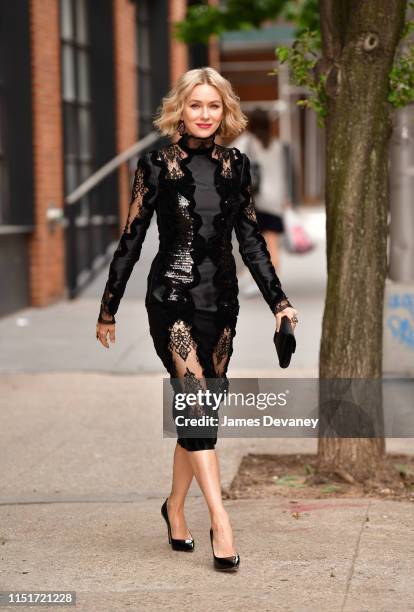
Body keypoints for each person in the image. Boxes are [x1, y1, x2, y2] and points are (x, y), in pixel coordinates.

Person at [95, 67, 298, 571]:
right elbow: (131, 237)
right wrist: (108, 307)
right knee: (196, 400)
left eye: (213, 106)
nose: (204, 115)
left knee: (200, 412)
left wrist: (279, 302)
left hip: (221, 302)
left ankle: (174, 508)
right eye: (195, 105)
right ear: (179, 110)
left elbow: (250, 239)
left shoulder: (237, 165)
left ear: (224, 110)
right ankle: (221, 523)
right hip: (172, 298)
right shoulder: (156, 164)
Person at [232, 109, 291, 296]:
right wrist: (285, 199)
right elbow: (284, 174)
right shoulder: (277, 145)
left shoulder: (246, 142)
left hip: (254, 201)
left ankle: (256, 282)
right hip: (274, 201)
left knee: (253, 244)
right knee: (272, 244)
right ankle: (273, 285)